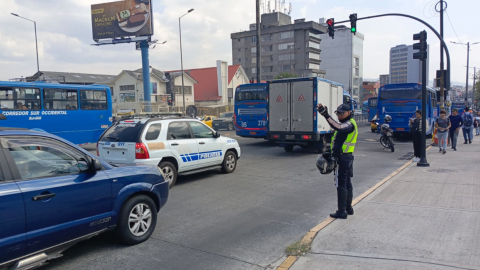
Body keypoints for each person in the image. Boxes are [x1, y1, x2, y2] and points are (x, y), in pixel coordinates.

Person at [317, 103, 358, 219]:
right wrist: (330, 151)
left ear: (348, 112)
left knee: (342, 184)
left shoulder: (349, 124)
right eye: (338, 113)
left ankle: (342, 211)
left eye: (341, 113)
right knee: (347, 183)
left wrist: (325, 115)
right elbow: (337, 140)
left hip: (344, 158)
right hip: (346, 157)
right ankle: (348, 208)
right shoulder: (346, 123)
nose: (339, 115)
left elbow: (337, 127)